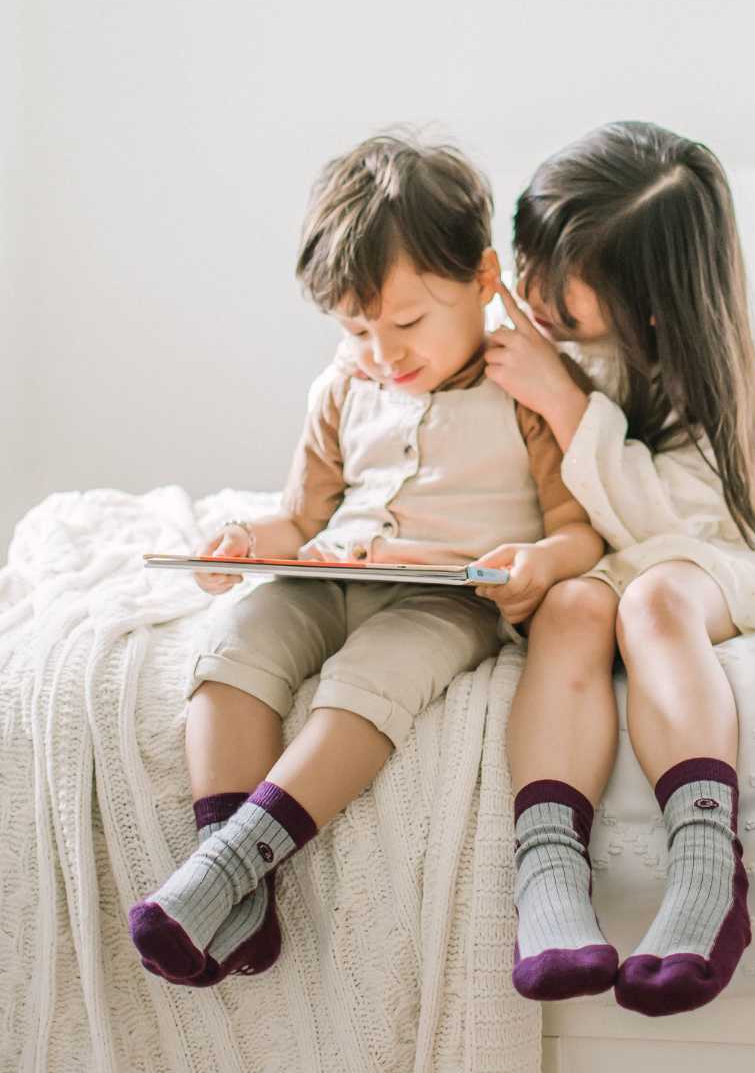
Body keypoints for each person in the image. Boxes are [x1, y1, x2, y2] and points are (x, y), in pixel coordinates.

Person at [127, 134, 605, 987]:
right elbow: (300, 517)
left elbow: (582, 532)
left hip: (448, 598)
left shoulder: (524, 386)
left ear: (485, 281)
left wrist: (538, 560)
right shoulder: (345, 385)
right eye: (357, 326)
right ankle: (235, 897)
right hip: (335, 572)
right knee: (233, 651)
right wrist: (243, 548)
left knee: (366, 685)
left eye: (408, 321)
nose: (384, 351)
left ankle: (230, 868)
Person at [483, 121, 755, 1016]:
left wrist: (563, 400)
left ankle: (707, 870)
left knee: (656, 599)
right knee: (569, 612)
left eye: (561, 289)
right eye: (529, 267)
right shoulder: (539, 332)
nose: (533, 295)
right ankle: (550, 877)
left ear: (648, 298)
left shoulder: (708, 368)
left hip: (707, 551)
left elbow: (667, 522)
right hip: (606, 560)